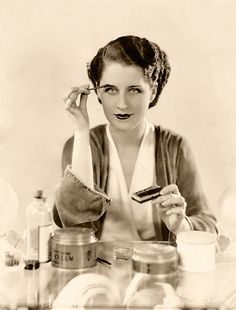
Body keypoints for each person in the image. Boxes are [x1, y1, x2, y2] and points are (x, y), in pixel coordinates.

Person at [53, 35, 217, 241]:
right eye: (110, 89)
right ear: (98, 91)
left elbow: (209, 226)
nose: (122, 104)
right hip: (95, 269)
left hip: (158, 269)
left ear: (153, 91)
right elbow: (73, 228)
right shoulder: (79, 145)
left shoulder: (175, 147)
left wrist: (181, 225)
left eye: (134, 90)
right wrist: (81, 129)